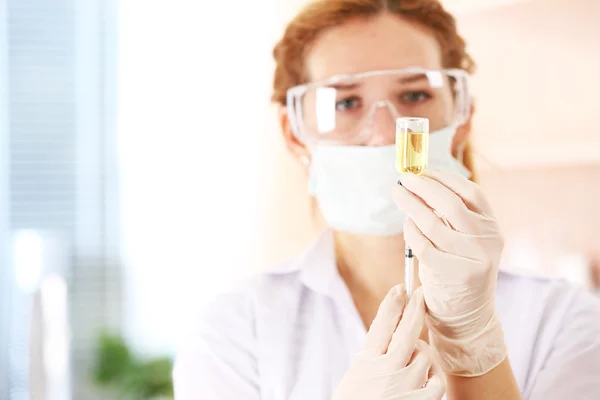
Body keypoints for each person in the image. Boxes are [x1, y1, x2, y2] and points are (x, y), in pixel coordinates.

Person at [173, 0, 600, 399]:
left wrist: (474, 351)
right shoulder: (233, 331)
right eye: (345, 103)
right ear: (293, 133)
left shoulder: (564, 319)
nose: (384, 135)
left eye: (415, 96)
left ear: (462, 117)